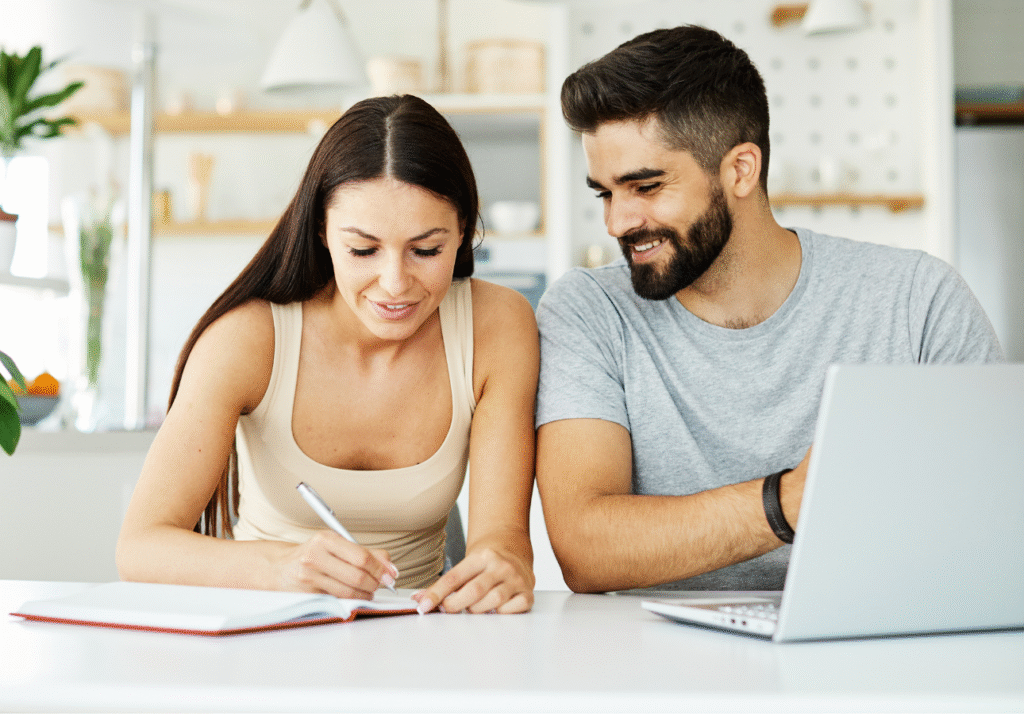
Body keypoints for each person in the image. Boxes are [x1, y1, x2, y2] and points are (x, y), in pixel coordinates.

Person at [534, 25, 1003, 594]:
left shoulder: (918, 300)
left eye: (647, 187)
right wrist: (791, 501)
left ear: (741, 169)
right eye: (605, 193)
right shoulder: (589, 311)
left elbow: (993, 521)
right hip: (651, 650)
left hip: (877, 636)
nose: (616, 222)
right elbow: (585, 548)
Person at [117, 95, 537, 615]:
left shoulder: (497, 326)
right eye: (363, 250)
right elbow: (139, 548)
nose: (395, 283)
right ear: (321, 230)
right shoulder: (248, 339)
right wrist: (280, 568)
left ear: (464, 231)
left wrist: (502, 568)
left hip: (419, 632)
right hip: (262, 629)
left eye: (426, 250)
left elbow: (503, 540)